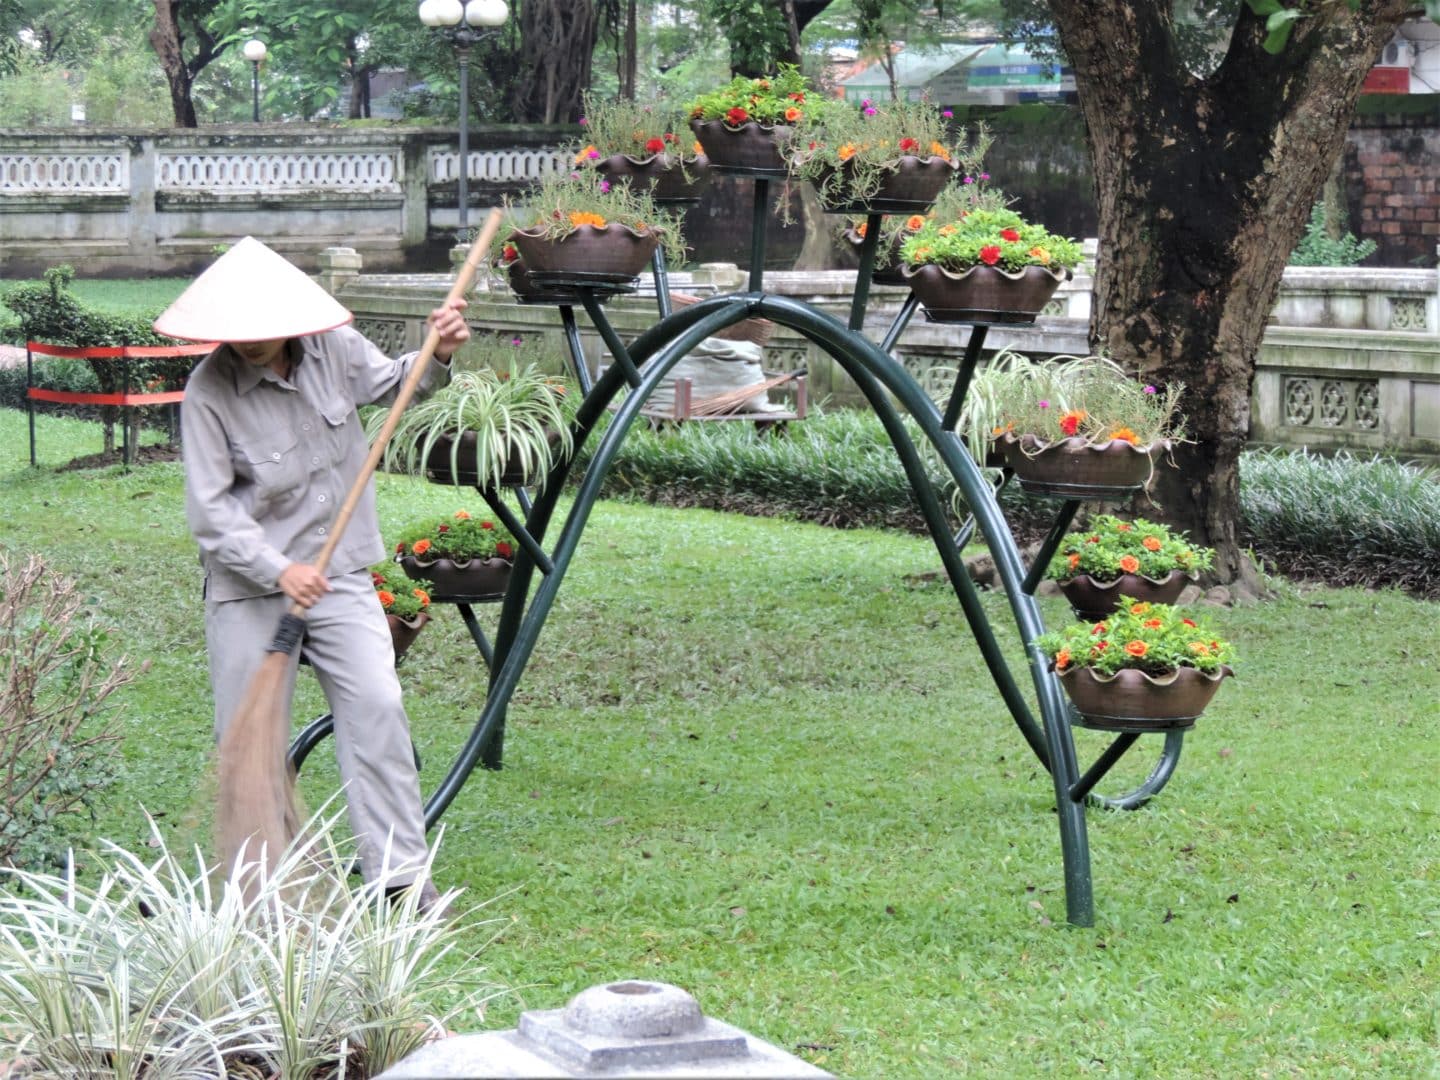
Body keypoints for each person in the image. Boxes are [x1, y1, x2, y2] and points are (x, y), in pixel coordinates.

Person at [157, 237, 470, 911]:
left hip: (342, 573)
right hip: (249, 586)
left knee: (378, 708)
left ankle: (400, 879)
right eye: (234, 332)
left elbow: (397, 384)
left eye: (260, 329)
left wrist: (438, 352)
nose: (247, 342)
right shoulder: (208, 393)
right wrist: (279, 569)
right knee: (249, 738)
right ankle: (259, 892)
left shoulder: (336, 350)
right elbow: (211, 515)